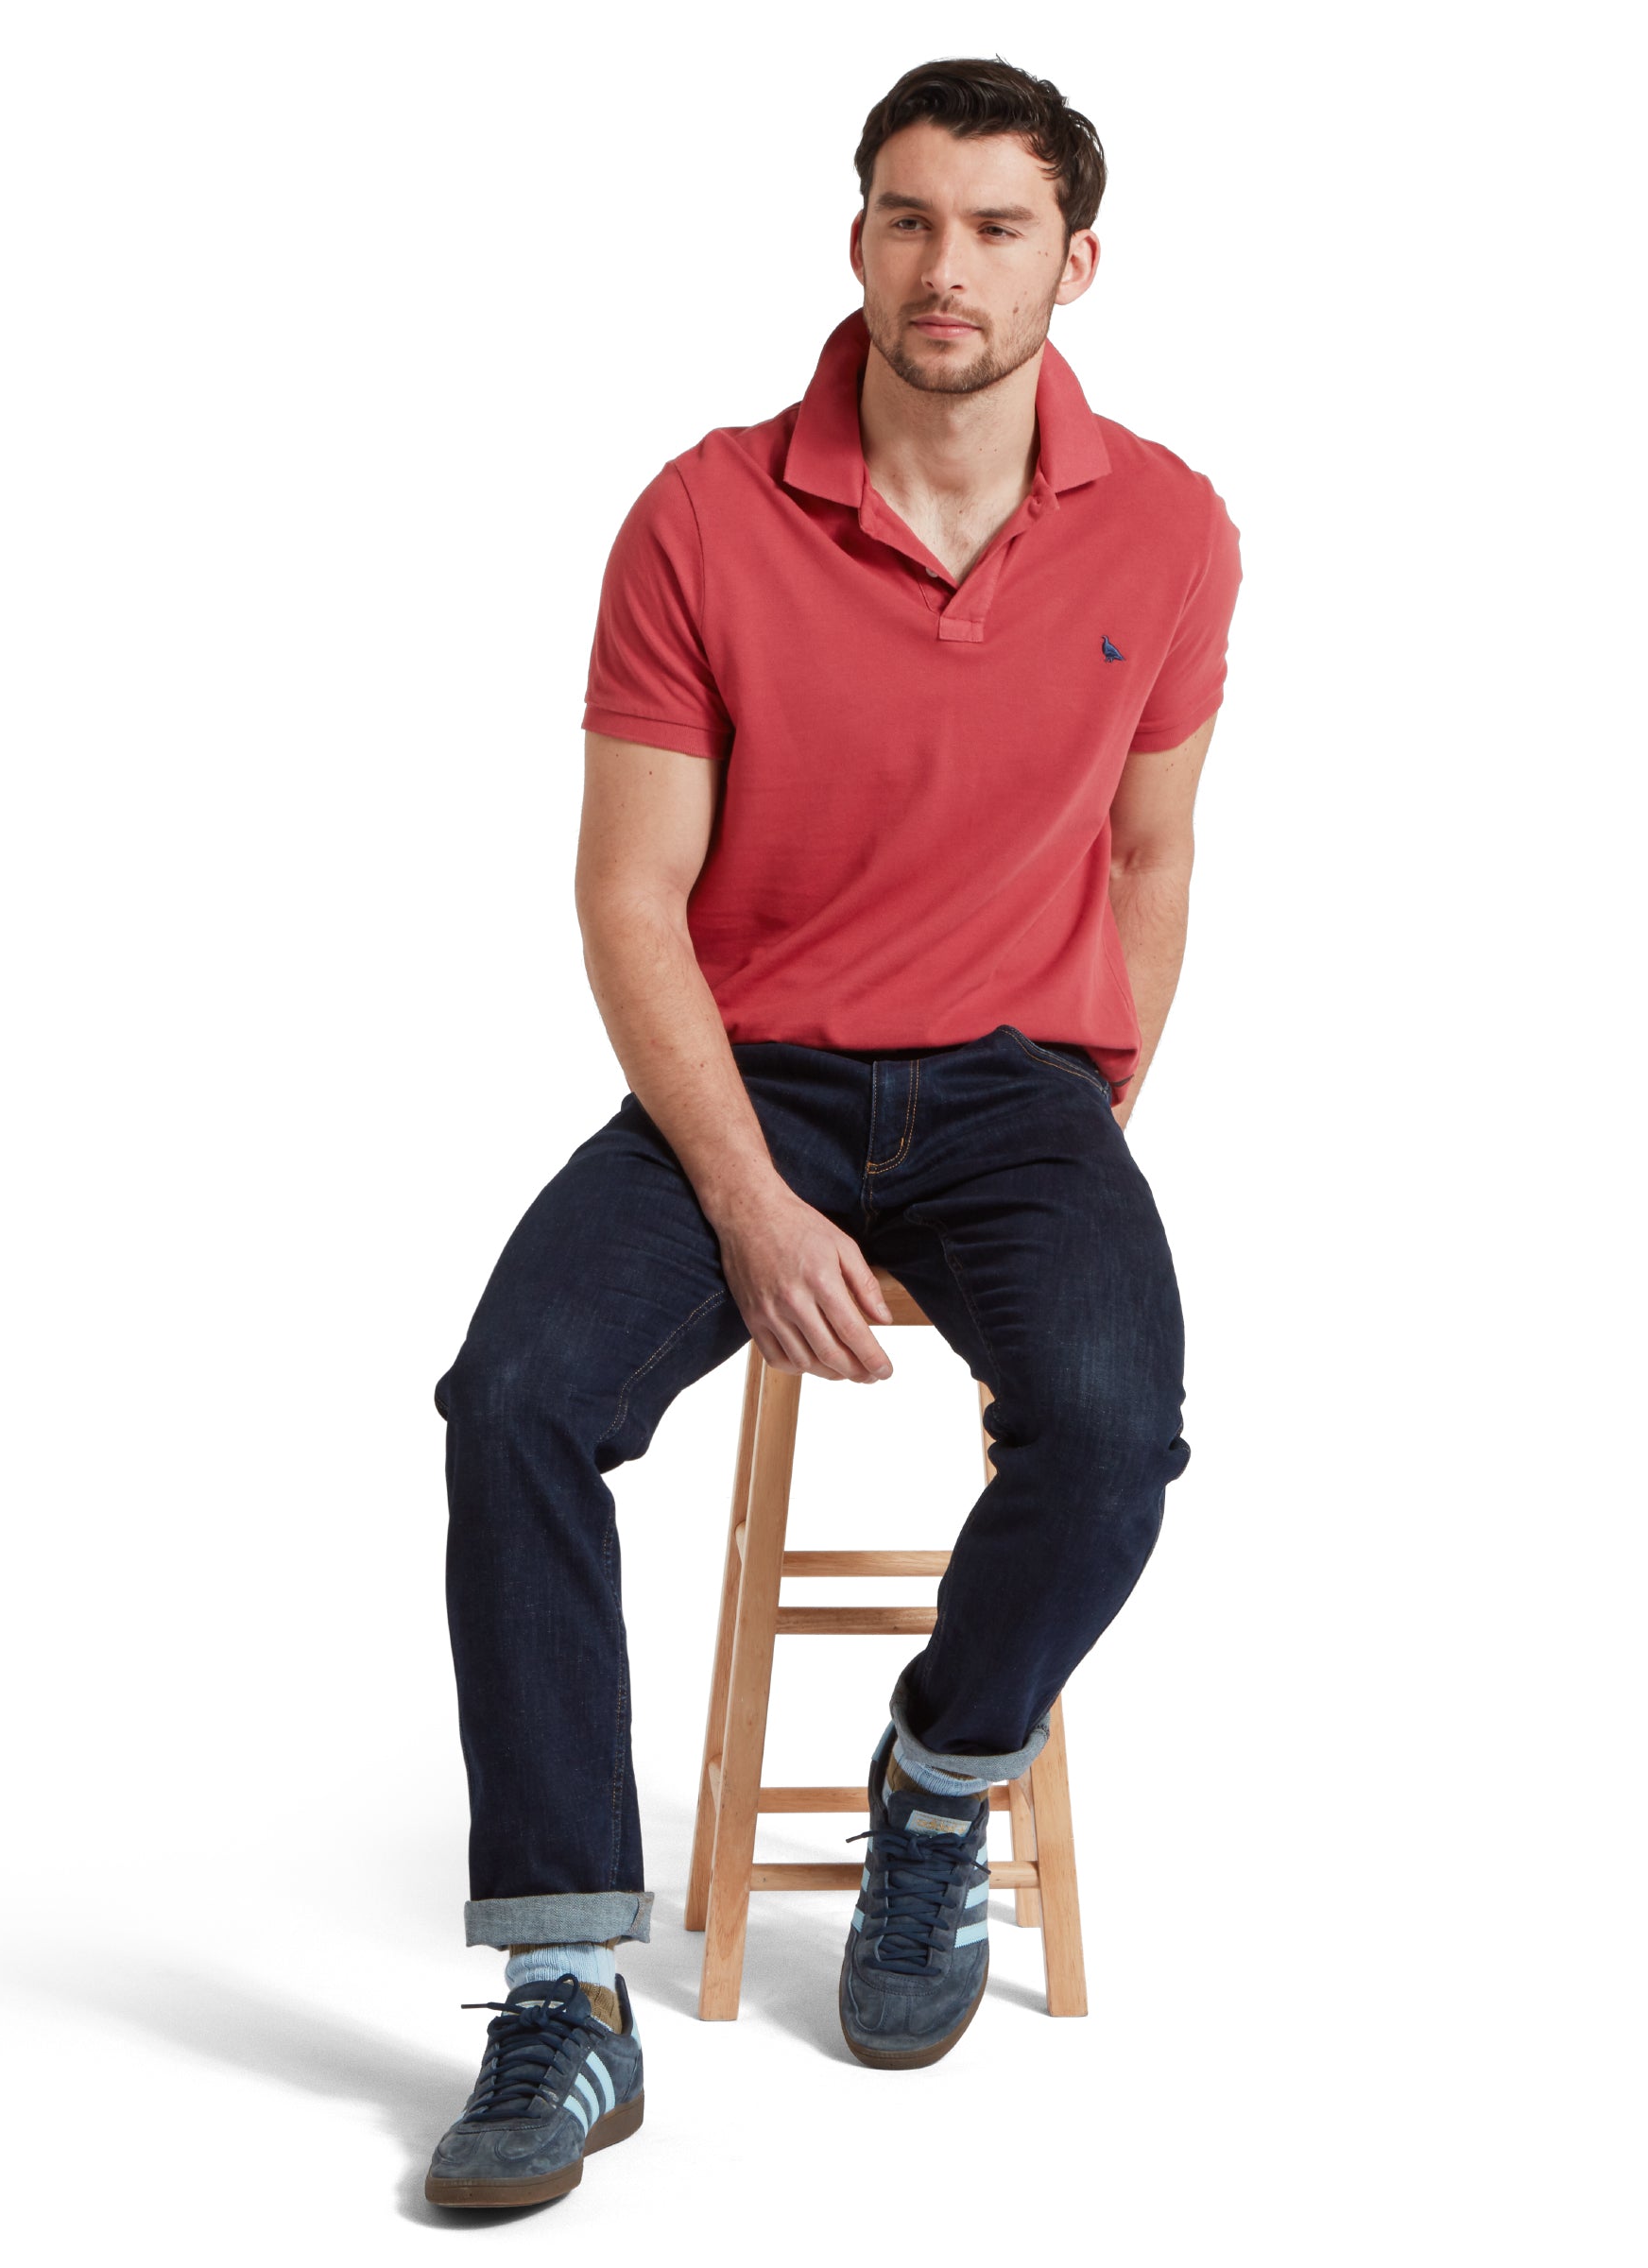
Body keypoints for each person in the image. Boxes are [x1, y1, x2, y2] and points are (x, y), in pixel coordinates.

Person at [422, 54, 1244, 2208]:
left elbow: (1155, 857)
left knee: (1114, 1418)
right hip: (742, 1064)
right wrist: (751, 1197)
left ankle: (940, 1772)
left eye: (991, 227)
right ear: (856, 240)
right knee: (511, 1399)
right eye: (905, 217)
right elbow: (624, 897)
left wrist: (1089, 1112)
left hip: (1010, 1085)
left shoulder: (1167, 529)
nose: (942, 264)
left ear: (1077, 260)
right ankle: (566, 1997)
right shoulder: (704, 511)